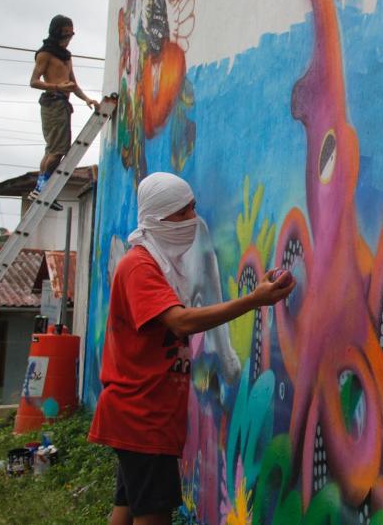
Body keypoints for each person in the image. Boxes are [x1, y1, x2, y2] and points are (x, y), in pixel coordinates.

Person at [88, 172, 295, 525]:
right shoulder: (139, 267)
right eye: (181, 213)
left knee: (126, 510)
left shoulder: (160, 265)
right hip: (141, 417)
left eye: (193, 208)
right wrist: (254, 300)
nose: (192, 220)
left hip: (146, 416)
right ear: (157, 219)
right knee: (151, 516)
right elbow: (181, 322)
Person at [29, 14, 99, 211]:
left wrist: (86, 99)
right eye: (65, 33)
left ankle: (41, 188)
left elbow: (73, 83)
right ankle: (41, 188)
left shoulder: (66, 56)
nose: (68, 38)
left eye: (71, 34)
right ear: (56, 32)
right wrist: (57, 87)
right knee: (57, 150)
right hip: (52, 102)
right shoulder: (45, 54)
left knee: (53, 150)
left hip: (63, 103)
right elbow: (34, 81)